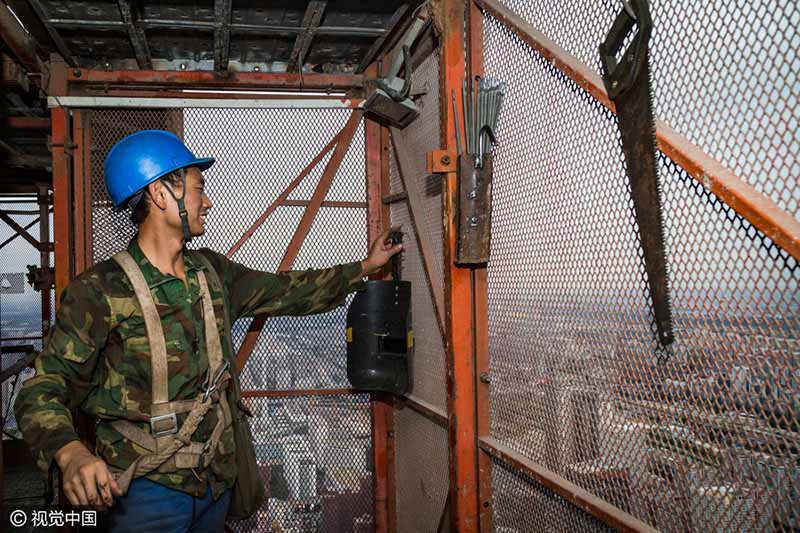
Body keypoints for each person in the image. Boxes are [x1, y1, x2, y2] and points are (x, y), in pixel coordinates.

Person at [14, 130, 401, 532]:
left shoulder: (212, 273)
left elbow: (285, 292)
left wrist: (364, 268)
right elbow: (43, 388)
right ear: (162, 194)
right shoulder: (99, 291)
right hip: (146, 489)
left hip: (216, 480)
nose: (209, 201)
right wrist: (70, 451)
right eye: (199, 189)